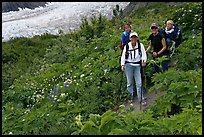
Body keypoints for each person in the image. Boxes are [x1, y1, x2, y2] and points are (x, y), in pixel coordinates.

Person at [121, 32, 147, 105]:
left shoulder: (140, 45)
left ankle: (141, 99)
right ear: (130, 39)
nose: (133, 39)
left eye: (135, 37)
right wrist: (122, 65)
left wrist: (144, 61)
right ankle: (130, 97)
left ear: (137, 38)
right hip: (128, 65)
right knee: (129, 83)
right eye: (132, 37)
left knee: (139, 83)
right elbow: (123, 56)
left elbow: (144, 54)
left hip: (137, 65)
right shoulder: (127, 46)